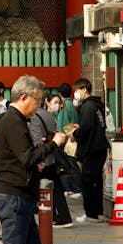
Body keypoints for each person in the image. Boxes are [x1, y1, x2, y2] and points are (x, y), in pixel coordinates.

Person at [0, 74, 69, 244]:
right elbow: (26, 158)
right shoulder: (13, 121)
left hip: (20, 197)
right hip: (14, 198)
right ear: (24, 97)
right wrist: (53, 144)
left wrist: (39, 152)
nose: (40, 105)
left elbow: (24, 157)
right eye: (38, 99)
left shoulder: (14, 120)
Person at [69, 77, 110, 224]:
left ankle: (90, 214)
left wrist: (74, 134)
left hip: (91, 148)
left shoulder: (87, 107)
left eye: (77, 90)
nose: (75, 94)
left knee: (87, 182)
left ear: (84, 89)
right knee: (96, 182)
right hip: (100, 147)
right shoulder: (98, 105)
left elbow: (85, 128)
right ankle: (98, 212)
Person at [28, 96, 71, 228]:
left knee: (43, 188)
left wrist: (39, 160)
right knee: (56, 187)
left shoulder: (35, 117)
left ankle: (54, 216)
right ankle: (63, 216)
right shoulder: (48, 115)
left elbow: (37, 141)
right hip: (52, 156)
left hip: (43, 158)